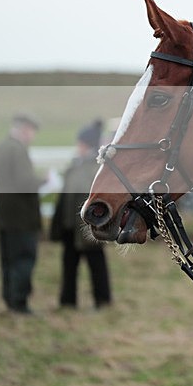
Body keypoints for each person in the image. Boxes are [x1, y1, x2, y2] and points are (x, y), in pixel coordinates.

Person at [50, 119, 112, 309]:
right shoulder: (75, 165)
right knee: (69, 265)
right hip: (70, 226)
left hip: (88, 227)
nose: (78, 147)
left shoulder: (95, 168)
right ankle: (67, 301)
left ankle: (102, 300)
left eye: (81, 144)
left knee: (96, 265)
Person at [0, 113, 47, 314]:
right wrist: (44, 180)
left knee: (8, 261)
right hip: (22, 217)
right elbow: (25, 182)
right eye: (31, 131)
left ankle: (9, 299)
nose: (32, 136)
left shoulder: (0, 148)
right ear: (25, 129)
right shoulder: (18, 150)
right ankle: (20, 304)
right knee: (23, 259)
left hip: (5, 215)